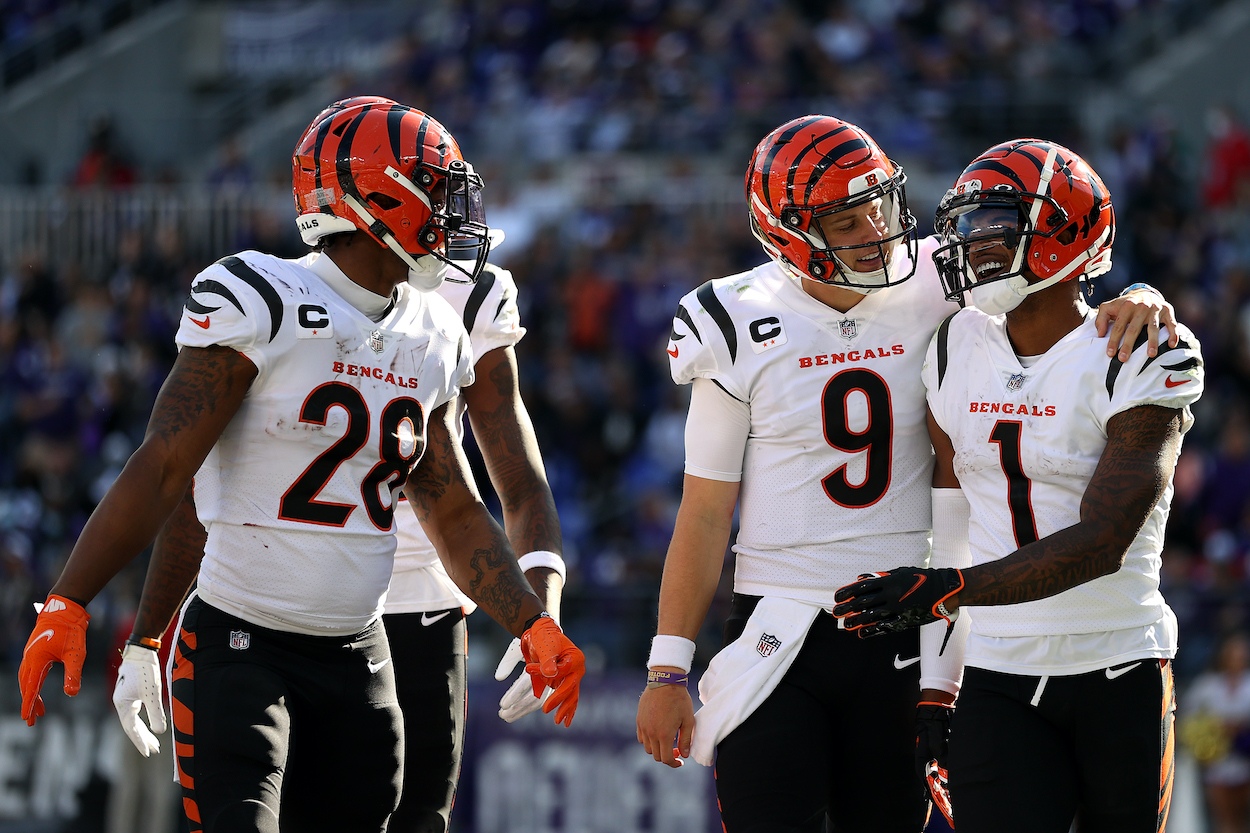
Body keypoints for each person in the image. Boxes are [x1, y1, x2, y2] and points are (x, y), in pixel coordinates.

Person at [17, 96, 585, 833]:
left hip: (360, 657)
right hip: (245, 643)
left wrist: (531, 622)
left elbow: (448, 505)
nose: (453, 215)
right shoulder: (264, 297)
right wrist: (72, 598)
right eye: (437, 192)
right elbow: (168, 468)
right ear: (381, 200)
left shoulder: (435, 329)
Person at [634, 115, 1178, 833]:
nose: (872, 232)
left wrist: (1137, 290)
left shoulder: (943, 276)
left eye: (876, 206)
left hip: (905, 611)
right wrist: (668, 665)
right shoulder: (734, 316)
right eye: (845, 220)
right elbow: (704, 511)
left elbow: (1053, 266)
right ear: (789, 231)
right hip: (778, 617)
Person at [112, 254, 566, 833]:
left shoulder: (467, 299)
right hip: (274, 599)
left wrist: (539, 612)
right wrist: (146, 635)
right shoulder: (295, 290)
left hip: (419, 597)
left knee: (415, 820)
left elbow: (507, 486)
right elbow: (211, 478)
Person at [832, 138, 1203, 833]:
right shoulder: (953, 344)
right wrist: (939, 689)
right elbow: (954, 529)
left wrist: (944, 589)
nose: (971, 246)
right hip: (997, 672)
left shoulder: (1140, 352)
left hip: (1117, 661)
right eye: (965, 229)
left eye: (992, 229)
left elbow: (1100, 541)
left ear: (1063, 231)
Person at [1182, 632, 1250, 833]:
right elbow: (1189, 716)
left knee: (1244, 815)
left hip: (1246, 757)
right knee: (1224, 816)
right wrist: (1215, 728)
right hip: (1218, 760)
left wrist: (1240, 725)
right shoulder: (1207, 684)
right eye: (1231, 653)